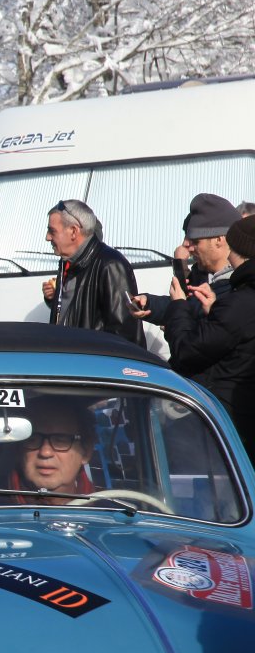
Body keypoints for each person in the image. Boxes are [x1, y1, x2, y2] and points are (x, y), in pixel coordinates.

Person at [151, 214, 255, 456]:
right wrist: (214, 310)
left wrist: (179, 306)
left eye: (232, 249)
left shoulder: (241, 301)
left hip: (226, 427)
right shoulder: (240, 299)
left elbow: (187, 352)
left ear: (240, 253)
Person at [40, 199, 142, 344]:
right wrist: (54, 298)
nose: (47, 237)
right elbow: (76, 311)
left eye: (52, 231)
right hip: (68, 356)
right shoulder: (68, 262)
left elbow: (123, 335)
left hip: (91, 358)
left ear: (73, 231)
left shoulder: (111, 264)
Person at [134, 193, 238, 326]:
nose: (186, 245)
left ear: (219, 240)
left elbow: (199, 322)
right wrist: (148, 303)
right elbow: (188, 304)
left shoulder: (241, 285)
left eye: (195, 241)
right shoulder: (201, 274)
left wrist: (178, 326)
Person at [3, 399, 96, 505]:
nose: (45, 452)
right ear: (18, 449)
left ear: (86, 452)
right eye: (33, 439)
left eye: (60, 441)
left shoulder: (106, 507)